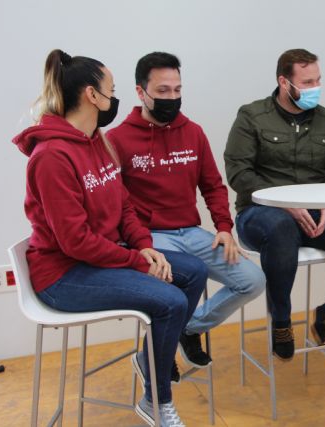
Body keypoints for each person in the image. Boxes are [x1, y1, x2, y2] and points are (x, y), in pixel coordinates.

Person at [13, 49, 207, 427]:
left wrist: (145, 246)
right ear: (92, 95)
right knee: (169, 300)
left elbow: (124, 207)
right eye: (112, 90)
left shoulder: (95, 141)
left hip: (99, 259)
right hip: (62, 275)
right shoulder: (51, 156)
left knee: (194, 271)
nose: (114, 98)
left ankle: (152, 358)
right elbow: (75, 242)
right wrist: (137, 261)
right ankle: (157, 399)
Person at [224, 48, 325, 361]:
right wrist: (284, 203)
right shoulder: (252, 116)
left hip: (316, 212)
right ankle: (281, 322)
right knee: (281, 228)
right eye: (307, 82)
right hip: (260, 213)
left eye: (318, 80)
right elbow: (239, 172)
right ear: (284, 82)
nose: (315, 88)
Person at [107, 52, 265, 368]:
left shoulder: (193, 132)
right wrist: (138, 244)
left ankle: (187, 328)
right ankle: (156, 359)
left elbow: (213, 186)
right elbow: (115, 204)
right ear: (140, 92)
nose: (172, 98)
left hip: (191, 233)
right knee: (174, 288)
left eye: (177, 90)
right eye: (163, 90)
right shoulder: (117, 139)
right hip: (150, 236)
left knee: (252, 280)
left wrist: (223, 228)